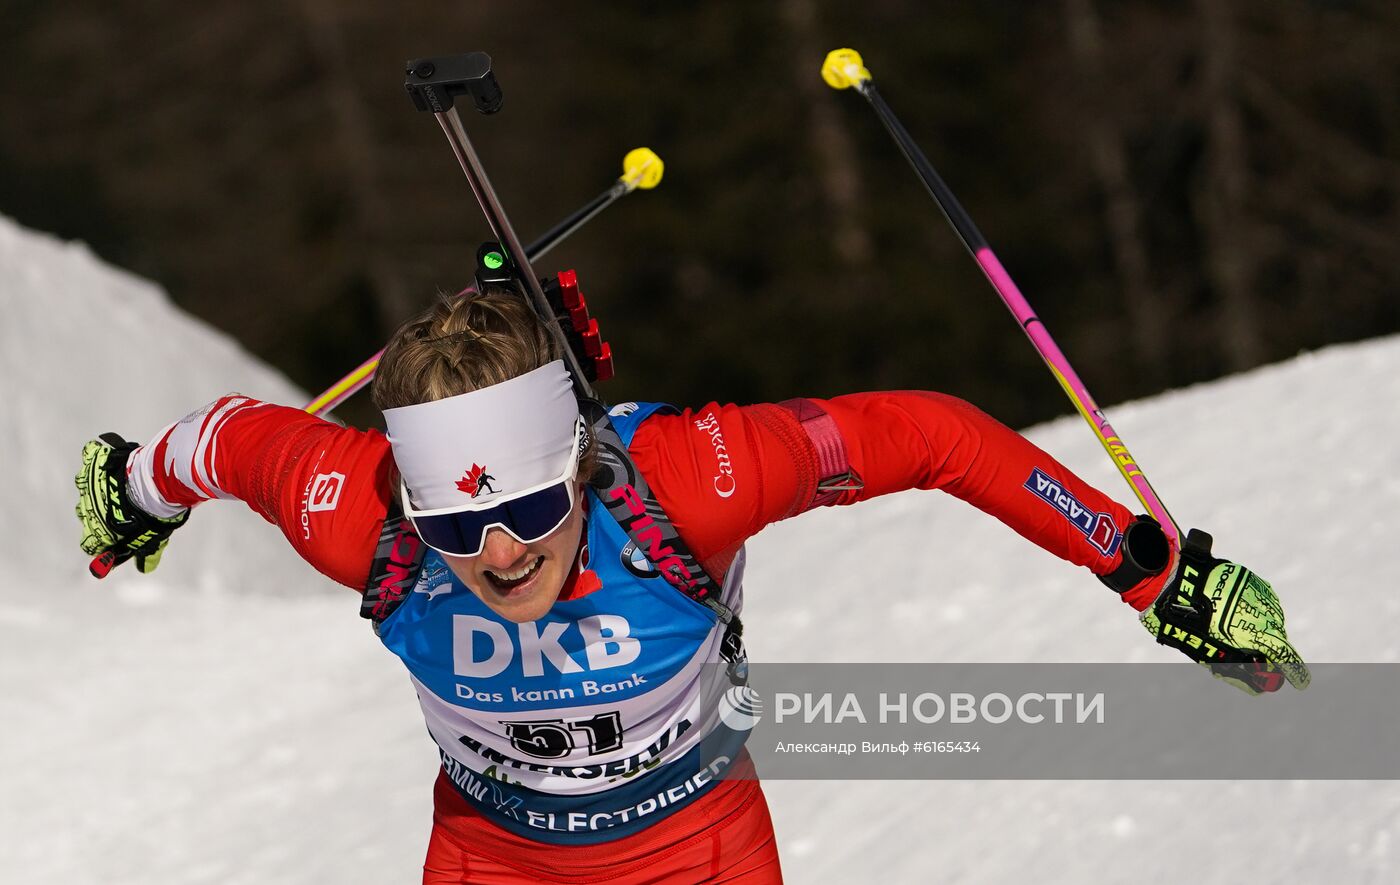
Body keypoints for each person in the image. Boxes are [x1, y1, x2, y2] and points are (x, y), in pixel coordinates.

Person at [74, 284, 1308, 884]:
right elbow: (226, 440)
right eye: (458, 522)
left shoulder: (684, 480)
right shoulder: (360, 516)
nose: (499, 553)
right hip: (493, 861)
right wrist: (132, 485)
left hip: (698, 853)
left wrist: (1144, 572)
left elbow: (931, 434)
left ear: (574, 459)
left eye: (525, 508)